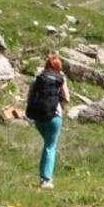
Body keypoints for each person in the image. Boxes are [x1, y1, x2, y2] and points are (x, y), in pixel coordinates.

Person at [25, 55, 70, 189]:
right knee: (50, 147)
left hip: (38, 117)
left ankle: (43, 175)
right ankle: (46, 179)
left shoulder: (38, 78)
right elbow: (67, 98)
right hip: (54, 116)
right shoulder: (61, 79)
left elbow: (29, 98)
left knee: (48, 145)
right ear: (58, 67)